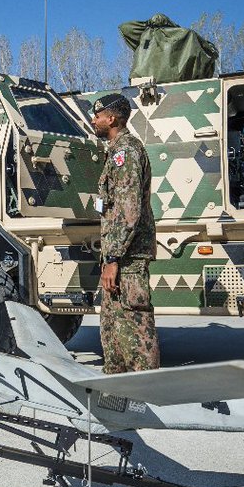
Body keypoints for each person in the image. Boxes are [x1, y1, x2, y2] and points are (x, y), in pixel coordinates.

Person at [91, 93, 159, 374]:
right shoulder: (115, 151)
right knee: (113, 326)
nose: (93, 120)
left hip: (127, 256)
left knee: (135, 326)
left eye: (97, 115)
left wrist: (115, 257)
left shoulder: (126, 152)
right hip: (119, 255)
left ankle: (145, 389)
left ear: (112, 118)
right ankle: (117, 387)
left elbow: (130, 209)